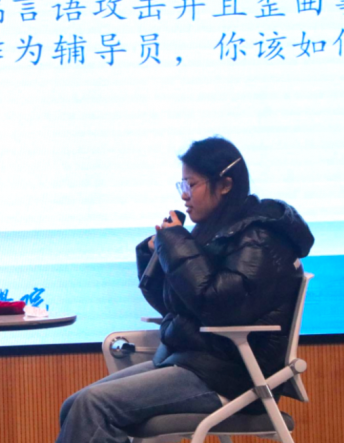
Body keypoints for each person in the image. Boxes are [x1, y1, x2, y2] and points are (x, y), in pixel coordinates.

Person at [56, 137, 315, 443]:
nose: (184, 196)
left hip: (230, 375)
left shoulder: (259, 237)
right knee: (74, 405)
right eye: (182, 185)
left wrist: (178, 243)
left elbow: (219, 307)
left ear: (225, 185)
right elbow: (175, 305)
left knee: (92, 406)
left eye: (191, 185)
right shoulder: (214, 232)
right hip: (194, 363)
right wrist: (157, 253)